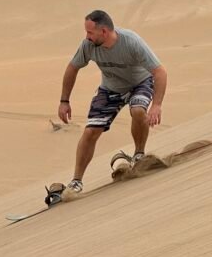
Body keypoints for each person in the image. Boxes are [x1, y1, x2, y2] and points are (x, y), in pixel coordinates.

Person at [58, 10, 168, 193]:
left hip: (140, 83)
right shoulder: (88, 46)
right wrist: (64, 100)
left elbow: (160, 72)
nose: (87, 37)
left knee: (139, 110)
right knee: (91, 130)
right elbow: (72, 68)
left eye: (90, 32)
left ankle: (139, 155)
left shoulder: (131, 42)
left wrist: (156, 105)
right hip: (111, 89)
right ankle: (76, 182)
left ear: (104, 32)